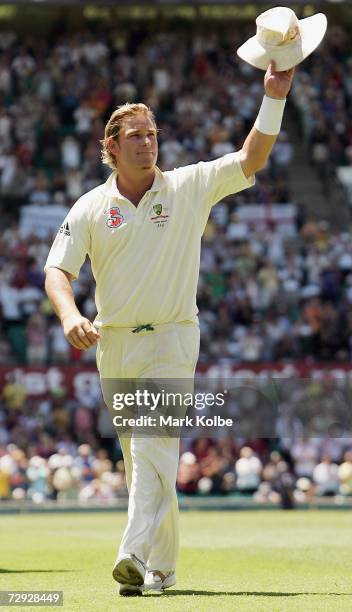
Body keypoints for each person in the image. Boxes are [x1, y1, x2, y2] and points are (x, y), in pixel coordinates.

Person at [44, 60, 294, 596]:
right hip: (113, 343)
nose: (146, 144)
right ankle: (163, 569)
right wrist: (70, 316)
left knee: (153, 446)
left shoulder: (188, 186)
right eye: (134, 136)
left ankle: (131, 553)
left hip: (173, 336)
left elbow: (253, 157)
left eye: (152, 135)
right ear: (110, 147)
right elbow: (57, 271)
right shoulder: (90, 206)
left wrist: (273, 95)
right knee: (144, 464)